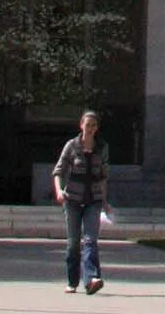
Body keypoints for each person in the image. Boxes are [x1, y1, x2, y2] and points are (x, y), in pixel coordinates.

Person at [52, 109, 110, 294]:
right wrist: (59, 191)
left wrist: (105, 201)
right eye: (88, 125)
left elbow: (103, 177)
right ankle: (72, 281)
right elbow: (58, 171)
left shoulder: (102, 148)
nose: (90, 129)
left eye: (94, 126)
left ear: (97, 128)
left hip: (94, 200)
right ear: (81, 126)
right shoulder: (72, 145)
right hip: (73, 200)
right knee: (73, 243)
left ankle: (92, 279)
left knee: (91, 240)